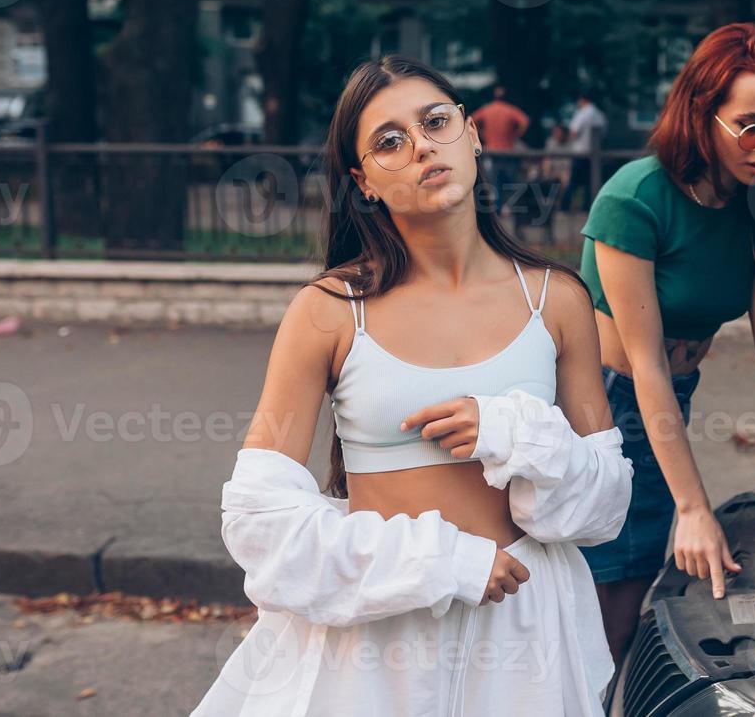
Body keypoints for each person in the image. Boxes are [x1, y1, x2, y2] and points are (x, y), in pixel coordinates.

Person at [193, 55, 633, 716]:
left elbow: (604, 505)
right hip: (378, 642)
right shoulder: (330, 309)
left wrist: (514, 435)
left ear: (473, 133)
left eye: (436, 121)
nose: (422, 145)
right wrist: (443, 563)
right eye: (389, 141)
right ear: (362, 180)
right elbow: (259, 522)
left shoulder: (557, 299)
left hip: (523, 634)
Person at [576, 22, 755, 668]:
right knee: (597, 618)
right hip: (596, 414)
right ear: (702, 113)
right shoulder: (636, 198)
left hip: (667, 399)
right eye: (749, 125)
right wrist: (694, 507)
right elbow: (643, 363)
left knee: (622, 609)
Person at [470, 84, 531, 214]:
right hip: (507, 150)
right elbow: (525, 121)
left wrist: (482, 134)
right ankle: (510, 208)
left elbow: (472, 120)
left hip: (492, 150)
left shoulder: (487, 110)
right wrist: (514, 135)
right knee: (510, 180)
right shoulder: (509, 110)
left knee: (494, 180)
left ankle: (497, 208)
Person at [565, 93, 607, 211]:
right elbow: (603, 133)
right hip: (594, 153)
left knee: (573, 182)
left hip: (580, 152)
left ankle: (565, 207)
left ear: (582, 100)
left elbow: (573, 131)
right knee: (590, 183)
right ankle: (587, 208)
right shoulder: (600, 115)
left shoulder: (582, 113)